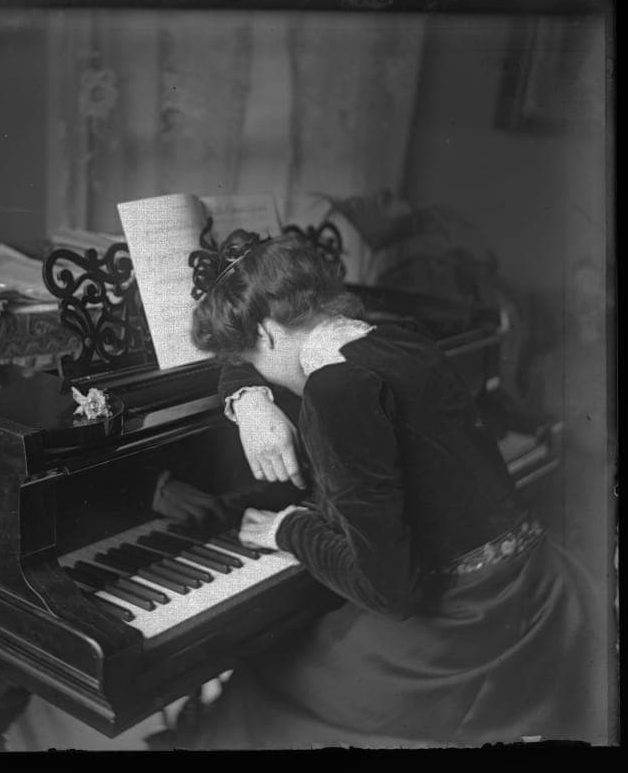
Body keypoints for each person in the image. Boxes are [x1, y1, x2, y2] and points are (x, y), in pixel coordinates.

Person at [153, 229, 603, 749]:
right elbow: (248, 357)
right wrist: (250, 398)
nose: (260, 372)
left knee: (265, 673)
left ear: (270, 334)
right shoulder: (396, 338)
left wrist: (289, 528)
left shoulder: (333, 394)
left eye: (254, 360)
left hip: (466, 638)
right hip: (536, 592)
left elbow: (389, 591)